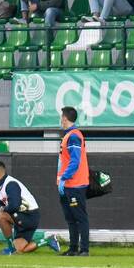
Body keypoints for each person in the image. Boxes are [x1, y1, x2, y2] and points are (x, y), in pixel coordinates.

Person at [0, 161, 59, 255]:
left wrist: (3, 210)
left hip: (29, 215)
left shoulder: (10, 184)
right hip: (19, 216)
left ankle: (10, 248)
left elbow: (14, 205)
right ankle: (48, 241)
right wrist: (2, 209)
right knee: (20, 250)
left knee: (1, 216)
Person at [57, 106, 91, 256]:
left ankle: (84, 249)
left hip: (75, 185)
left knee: (80, 218)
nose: (60, 120)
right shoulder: (68, 136)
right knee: (70, 218)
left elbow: (75, 161)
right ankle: (73, 248)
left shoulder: (74, 136)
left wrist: (64, 177)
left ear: (64, 118)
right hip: (67, 185)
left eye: (61, 117)